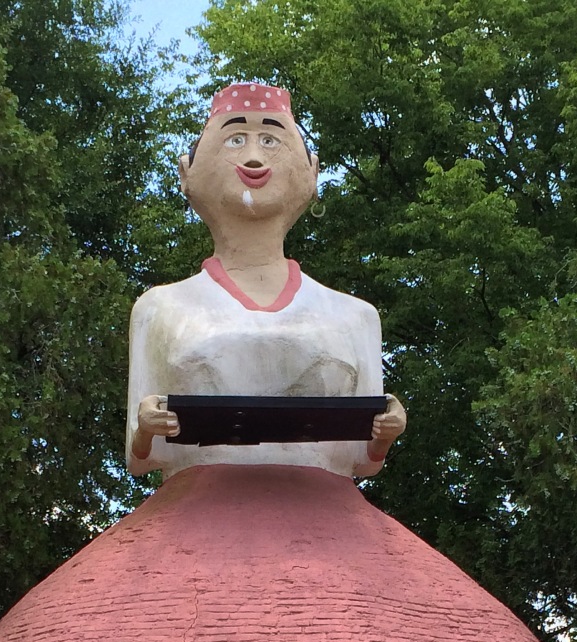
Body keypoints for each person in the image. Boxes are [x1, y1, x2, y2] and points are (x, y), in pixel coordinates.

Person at [127, 82, 406, 480]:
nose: (254, 159)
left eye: (272, 140)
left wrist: (386, 431)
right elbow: (139, 459)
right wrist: (146, 427)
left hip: (327, 518)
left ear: (312, 172)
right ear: (186, 173)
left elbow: (364, 461)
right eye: (235, 139)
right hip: (200, 516)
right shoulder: (159, 308)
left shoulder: (356, 316)